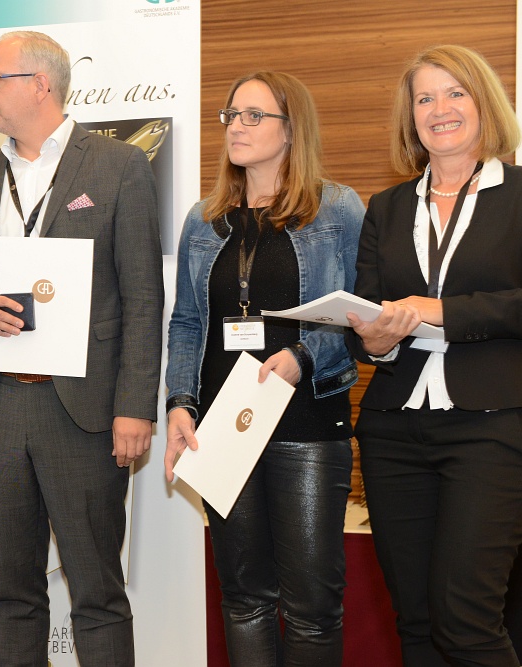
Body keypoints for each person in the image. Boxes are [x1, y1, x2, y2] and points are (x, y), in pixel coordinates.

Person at [0, 31, 164, 666]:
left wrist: (134, 407)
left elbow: (142, 296)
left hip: (83, 411)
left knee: (97, 595)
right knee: (12, 596)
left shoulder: (119, 166)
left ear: (40, 85)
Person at [165, 71, 364, 665]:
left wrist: (304, 358)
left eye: (254, 115)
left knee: (311, 607)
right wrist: (180, 403)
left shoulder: (336, 209)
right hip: (223, 429)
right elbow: (186, 323)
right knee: (244, 599)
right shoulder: (204, 219)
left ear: (291, 128)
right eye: (231, 115)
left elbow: (363, 315)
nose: (237, 126)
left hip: (307, 426)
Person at [346, 45, 522, 666]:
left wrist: (439, 310)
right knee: (416, 622)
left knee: (467, 621)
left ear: (484, 103)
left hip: (492, 427)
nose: (439, 108)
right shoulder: (387, 207)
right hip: (394, 430)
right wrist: (375, 340)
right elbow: (364, 317)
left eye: (455, 93)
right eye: (424, 98)